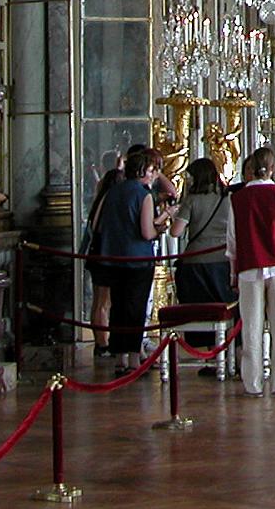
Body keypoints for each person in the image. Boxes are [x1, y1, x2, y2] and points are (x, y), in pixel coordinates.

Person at [229, 146, 275, 397]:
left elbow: (233, 243)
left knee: (251, 327)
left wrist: (232, 273)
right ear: (272, 168)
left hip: (248, 268)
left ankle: (253, 383)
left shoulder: (236, 199)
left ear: (250, 170)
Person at [96, 145, 174, 369]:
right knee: (136, 308)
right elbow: (146, 232)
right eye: (150, 170)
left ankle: (119, 356)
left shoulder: (113, 191)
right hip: (138, 259)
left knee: (118, 307)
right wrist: (161, 225)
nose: (153, 175)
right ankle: (132, 357)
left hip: (113, 257)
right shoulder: (143, 195)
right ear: (141, 171)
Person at [175, 157, 234, 359]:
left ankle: (210, 354)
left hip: (196, 262)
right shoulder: (227, 198)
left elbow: (176, 231)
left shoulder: (192, 200)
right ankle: (225, 354)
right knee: (223, 308)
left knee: (201, 311)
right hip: (223, 260)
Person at [81, 157, 123, 355]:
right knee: (104, 301)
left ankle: (101, 340)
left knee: (100, 300)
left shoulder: (100, 200)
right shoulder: (111, 203)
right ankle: (103, 342)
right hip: (105, 254)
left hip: (98, 253)